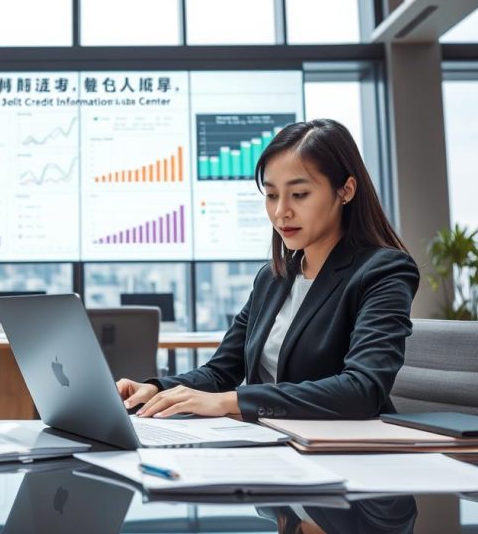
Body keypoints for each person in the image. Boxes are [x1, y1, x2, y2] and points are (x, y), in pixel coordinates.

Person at [116, 118, 419, 421]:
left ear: (346, 190)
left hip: (344, 450)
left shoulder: (383, 271)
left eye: (299, 194)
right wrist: (156, 389)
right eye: (272, 195)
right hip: (269, 441)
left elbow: (362, 390)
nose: (280, 212)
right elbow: (220, 372)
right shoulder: (273, 278)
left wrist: (232, 401)